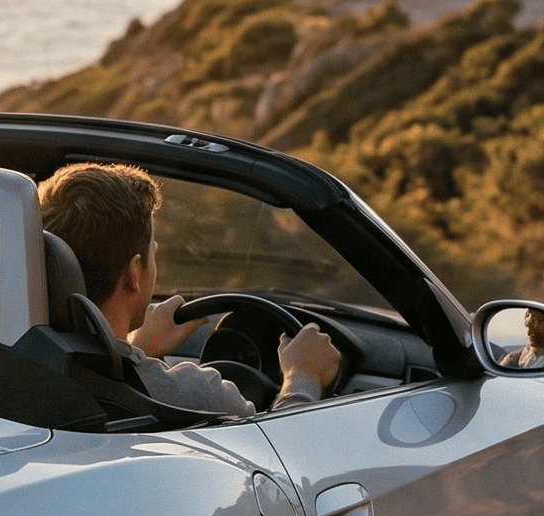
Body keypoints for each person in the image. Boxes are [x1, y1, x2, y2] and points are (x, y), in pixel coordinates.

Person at [37, 162, 342, 417]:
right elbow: (280, 464)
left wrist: (137, 347)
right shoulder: (198, 394)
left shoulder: (19, 361)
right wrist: (303, 378)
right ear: (134, 273)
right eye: (154, 252)